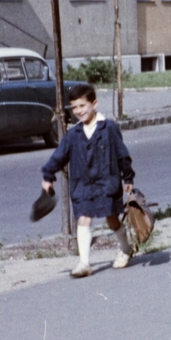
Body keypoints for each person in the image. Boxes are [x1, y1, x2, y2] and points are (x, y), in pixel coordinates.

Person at [40, 84, 136, 279]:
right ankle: (84, 263)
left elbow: (122, 154)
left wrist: (128, 177)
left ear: (94, 104)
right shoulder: (73, 135)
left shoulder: (108, 128)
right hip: (83, 184)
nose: (78, 111)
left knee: (111, 219)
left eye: (82, 106)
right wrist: (48, 176)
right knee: (83, 218)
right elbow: (58, 156)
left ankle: (126, 249)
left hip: (106, 182)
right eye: (74, 107)